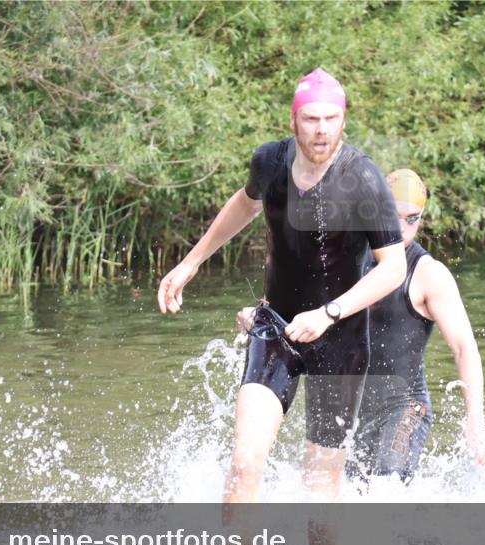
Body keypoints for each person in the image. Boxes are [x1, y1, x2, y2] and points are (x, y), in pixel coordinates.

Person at [158, 68, 406, 505]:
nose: (321, 129)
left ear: (343, 121)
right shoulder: (270, 162)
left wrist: (329, 313)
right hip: (275, 325)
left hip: (341, 337)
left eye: (331, 118)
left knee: (320, 484)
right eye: (311, 118)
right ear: (294, 121)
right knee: (244, 463)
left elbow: (393, 269)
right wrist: (191, 263)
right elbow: (245, 203)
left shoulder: (363, 179)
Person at [347, 169, 485, 484]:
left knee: (386, 490)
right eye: (392, 216)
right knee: (344, 497)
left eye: (412, 219)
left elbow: (464, 347)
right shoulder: (351, 259)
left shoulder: (429, 274)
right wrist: (264, 312)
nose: (400, 228)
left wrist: (475, 421)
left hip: (406, 406)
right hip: (358, 409)